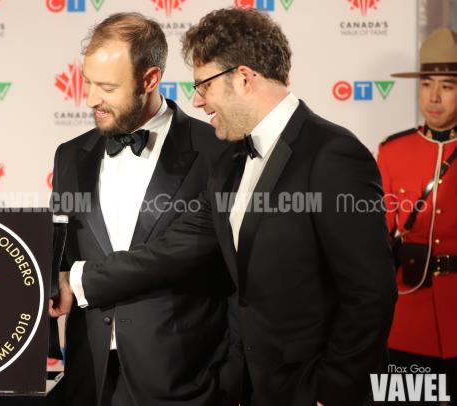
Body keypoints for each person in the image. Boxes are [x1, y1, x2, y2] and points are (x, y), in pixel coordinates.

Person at [56, 8, 397, 406]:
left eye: (204, 86)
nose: (197, 101)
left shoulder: (332, 154)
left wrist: (334, 390)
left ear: (244, 77)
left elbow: (371, 293)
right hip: (257, 390)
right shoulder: (234, 163)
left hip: (313, 390)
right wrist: (74, 281)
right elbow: (174, 248)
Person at [49, 12, 243, 406]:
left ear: (150, 79)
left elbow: (233, 275)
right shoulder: (71, 156)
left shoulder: (217, 152)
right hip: (90, 381)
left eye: (106, 86)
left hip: (187, 384)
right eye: (87, 82)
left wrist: (230, 381)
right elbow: (60, 263)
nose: (90, 99)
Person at [377, 27, 457, 400]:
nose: (434, 97)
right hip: (409, 313)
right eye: (426, 84)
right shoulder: (393, 151)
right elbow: (377, 237)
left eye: (448, 86)